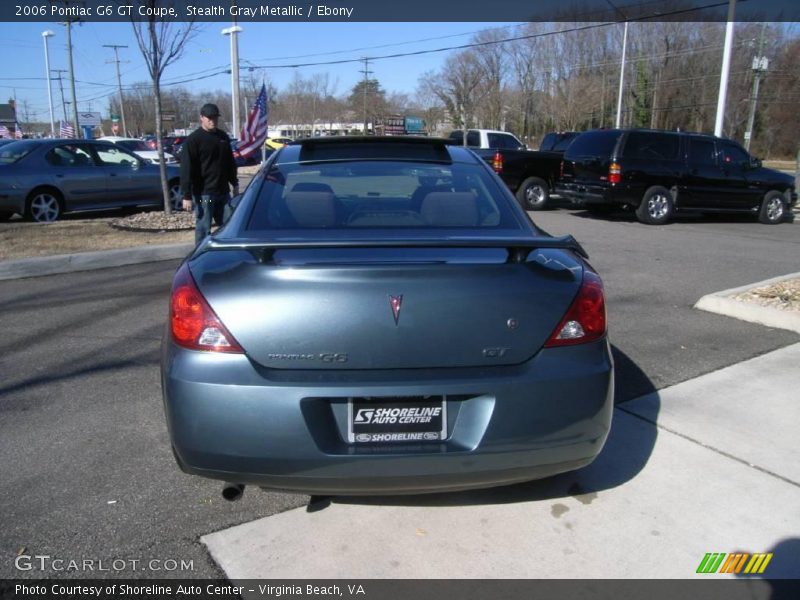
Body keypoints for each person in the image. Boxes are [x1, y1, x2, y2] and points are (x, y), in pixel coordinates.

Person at [180, 103, 239, 244]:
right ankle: (200, 258)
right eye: (209, 118)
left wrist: (234, 183)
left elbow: (230, 163)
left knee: (228, 226)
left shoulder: (223, 137)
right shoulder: (193, 140)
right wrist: (186, 195)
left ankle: (226, 254)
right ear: (201, 118)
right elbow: (186, 168)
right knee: (203, 228)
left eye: (215, 118)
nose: (213, 121)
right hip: (205, 195)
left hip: (223, 193)